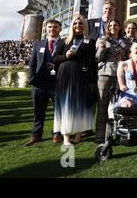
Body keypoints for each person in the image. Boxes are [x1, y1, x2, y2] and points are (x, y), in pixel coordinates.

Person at [53, 16, 96, 146]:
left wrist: (92, 80)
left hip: (81, 76)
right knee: (65, 105)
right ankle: (66, 136)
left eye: (81, 23)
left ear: (84, 26)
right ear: (72, 25)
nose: (78, 25)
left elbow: (91, 61)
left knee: (80, 106)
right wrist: (66, 56)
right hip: (64, 76)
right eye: (75, 23)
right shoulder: (64, 41)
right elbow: (54, 58)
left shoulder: (90, 41)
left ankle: (78, 135)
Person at [25, 20, 64, 146]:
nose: (52, 29)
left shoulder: (64, 43)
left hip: (57, 82)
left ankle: (57, 133)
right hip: (39, 84)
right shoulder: (38, 44)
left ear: (60, 29)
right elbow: (32, 63)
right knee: (38, 111)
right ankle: (36, 135)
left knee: (58, 110)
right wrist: (31, 79)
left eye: (55, 27)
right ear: (46, 29)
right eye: (50, 27)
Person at [95, 19, 128, 143]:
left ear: (120, 27)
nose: (113, 27)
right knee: (103, 104)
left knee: (119, 105)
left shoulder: (125, 42)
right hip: (105, 74)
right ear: (108, 28)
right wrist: (102, 49)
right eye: (111, 25)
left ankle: (118, 133)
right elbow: (98, 57)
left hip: (120, 75)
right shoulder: (102, 40)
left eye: (116, 25)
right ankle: (100, 135)